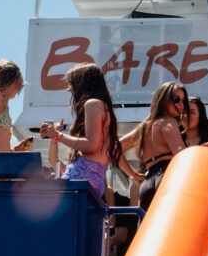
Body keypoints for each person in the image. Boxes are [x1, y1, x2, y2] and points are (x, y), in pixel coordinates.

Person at [40, 63, 125, 199]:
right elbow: (53, 160)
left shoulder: (92, 104)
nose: (69, 89)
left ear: (82, 83)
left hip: (80, 180)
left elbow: (91, 145)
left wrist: (59, 135)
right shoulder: (101, 107)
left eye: (71, 83)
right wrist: (54, 137)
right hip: (88, 182)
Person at [120, 82, 190, 211]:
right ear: (164, 100)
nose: (181, 104)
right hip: (167, 177)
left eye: (183, 101)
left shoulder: (144, 127)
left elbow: (115, 148)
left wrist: (134, 175)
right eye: (176, 99)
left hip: (147, 184)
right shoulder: (169, 122)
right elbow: (182, 155)